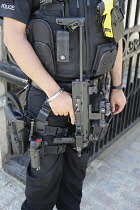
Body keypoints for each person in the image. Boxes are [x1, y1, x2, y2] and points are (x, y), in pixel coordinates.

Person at [0, 0, 126, 209]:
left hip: (92, 97)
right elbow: (13, 37)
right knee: (42, 183)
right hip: (47, 101)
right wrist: (54, 93)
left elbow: (116, 33)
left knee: (75, 177)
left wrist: (118, 86)